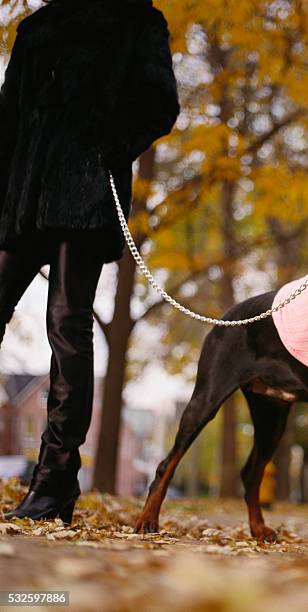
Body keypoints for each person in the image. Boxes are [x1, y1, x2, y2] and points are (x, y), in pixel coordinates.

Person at [0, 0, 180, 521]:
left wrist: (108, 144)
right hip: (24, 194)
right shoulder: (35, 28)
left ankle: (54, 484)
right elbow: (9, 117)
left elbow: (160, 106)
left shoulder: (135, 19)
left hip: (85, 194)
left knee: (66, 322)